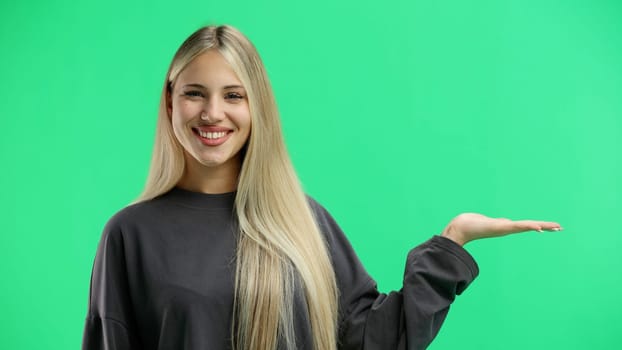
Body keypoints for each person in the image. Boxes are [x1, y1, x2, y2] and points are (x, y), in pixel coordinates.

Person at [81, 25, 562, 350]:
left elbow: (372, 337)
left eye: (233, 95)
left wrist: (451, 244)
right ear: (170, 102)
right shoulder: (129, 235)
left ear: (257, 107)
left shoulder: (301, 220)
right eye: (194, 93)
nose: (212, 113)